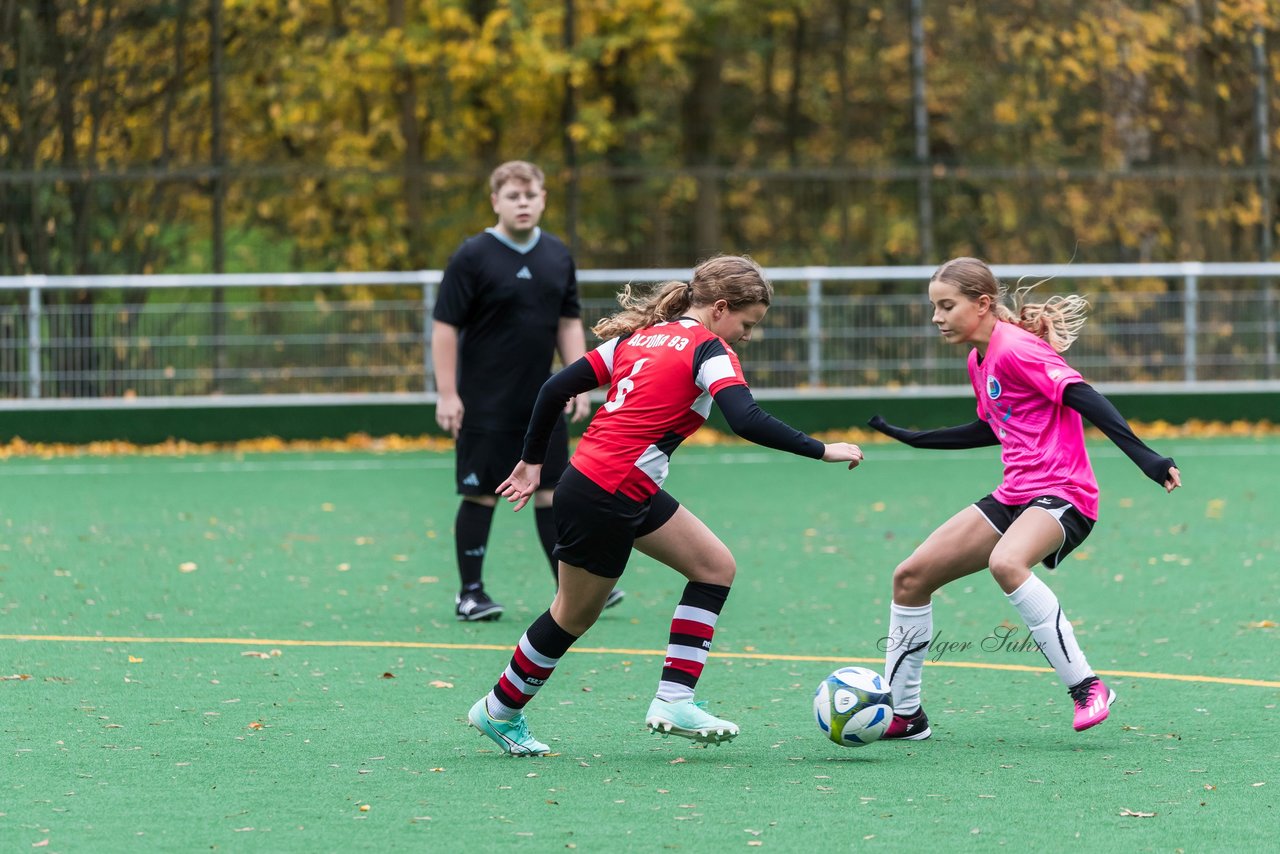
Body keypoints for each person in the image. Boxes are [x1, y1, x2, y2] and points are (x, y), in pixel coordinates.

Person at [465, 255, 865, 755]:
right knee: (572, 614)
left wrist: (532, 463)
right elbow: (745, 418)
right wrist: (822, 449)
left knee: (714, 567)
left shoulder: (638, 339)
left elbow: (554, 388)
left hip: (610, 484)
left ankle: (675, 699)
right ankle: (499, 710)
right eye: (747, 323)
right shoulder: (709, 349)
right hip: (608, 493)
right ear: (720, 308)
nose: (746, 335)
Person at [868, 256, 1182, 740]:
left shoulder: (1017, 349)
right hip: (1016, 494)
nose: (937, 317)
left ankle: (1086, 686)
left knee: (1007, 562)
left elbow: (1085, 396)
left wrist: (1147, 459)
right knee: (910, 577)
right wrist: (918, 438)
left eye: (946, 306)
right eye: (934, 307)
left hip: (1065, 493)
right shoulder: (979, 359)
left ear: (983, 303)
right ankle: (906, 715)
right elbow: (995, 426)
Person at [432, 160, 624, 622]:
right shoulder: (473, 255)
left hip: (543, 401)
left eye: (530, 195)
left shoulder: (557, 255)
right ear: (496, 201)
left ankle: (570, 587)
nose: (523, 203)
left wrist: (581, 380)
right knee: (479, 493)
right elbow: (444, 327)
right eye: (513, 196)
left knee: (553, 491)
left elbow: (568, 321)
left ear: (543, 200)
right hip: (483, 402)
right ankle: (471, 593)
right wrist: (446, 393)